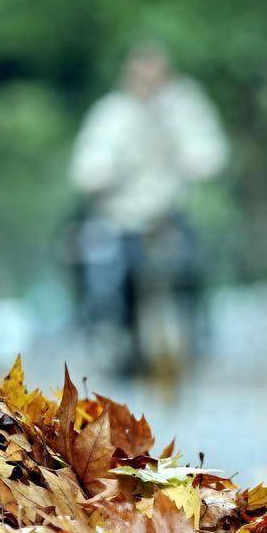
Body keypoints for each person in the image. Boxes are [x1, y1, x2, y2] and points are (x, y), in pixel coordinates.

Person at [69, 44, 228, 374]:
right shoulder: (112, 112)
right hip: (121, 217)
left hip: (168, 213)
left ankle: (199, 335)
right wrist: (98, 172)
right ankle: (109, 333)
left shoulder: (185, 107)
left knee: (194, 266)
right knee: (104, 273)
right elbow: (91, 157)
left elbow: (208, 147)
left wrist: (198, 161)